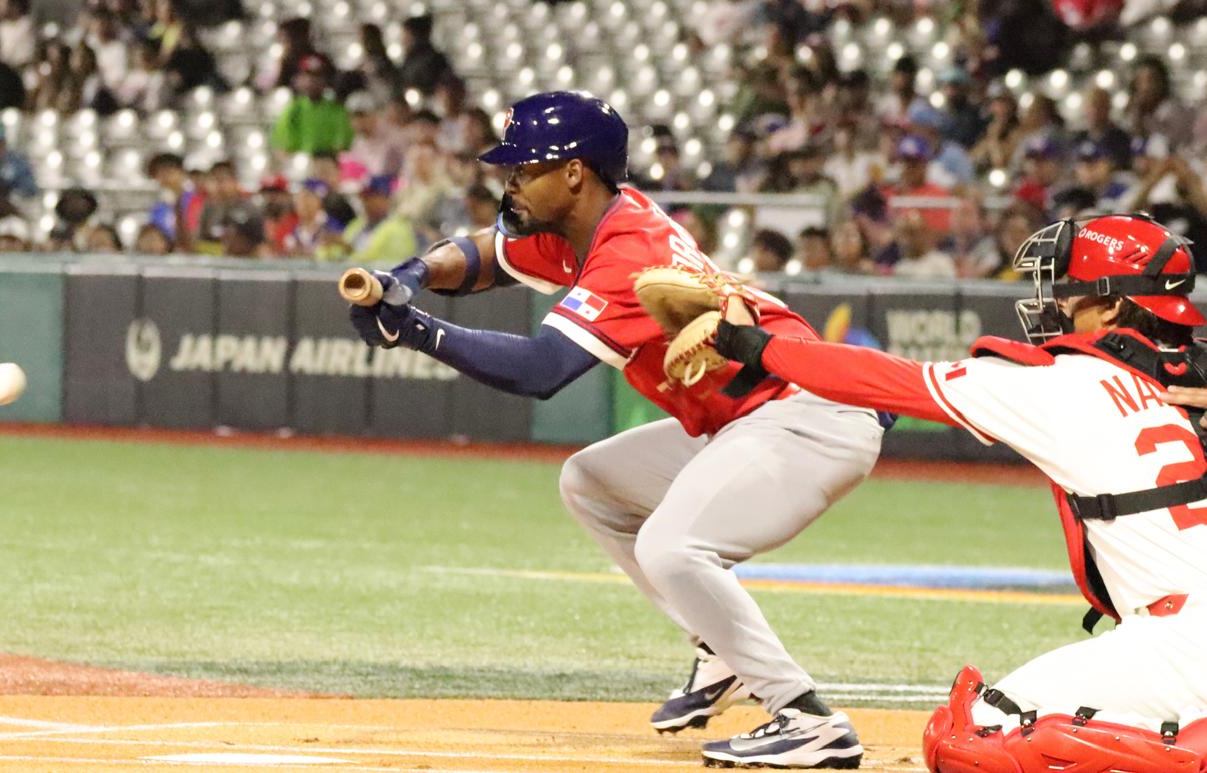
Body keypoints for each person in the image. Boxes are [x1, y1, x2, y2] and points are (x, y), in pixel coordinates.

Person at [344, 91, 885, 769]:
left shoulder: (630, 249)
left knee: (671, 546)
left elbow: (541, 370)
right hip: (748, 416)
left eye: (525, 168)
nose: (510, 182)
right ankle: (719, 648)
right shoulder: (585, 227)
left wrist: (417, 330)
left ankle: (807, 718)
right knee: (592, 481)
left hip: (808, 413)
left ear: (574, 172)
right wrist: (413, 274)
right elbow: (483, 256)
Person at [714, 213, 1207, 772]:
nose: (1059, 303)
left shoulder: (1060, 382)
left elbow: (883, 379)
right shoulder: (1188, 381)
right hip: (1176, 638)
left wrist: (757, 346)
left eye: (1071, 290)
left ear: (1113, 306)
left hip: (1183, 641)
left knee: (972, 736)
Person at [270, 55, 354, 155]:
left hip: (330, 161)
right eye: (306, 76)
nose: (311, 81)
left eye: (317, 76)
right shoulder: (293, 110)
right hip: (299, 161)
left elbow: (344, 144)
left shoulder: (337, 110)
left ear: (326, 80)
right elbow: (281, 145)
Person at [337, 174, 417, 264]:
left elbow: (383, 265)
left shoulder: (399, 229)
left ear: (386, 199)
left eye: (371, 197)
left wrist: (349, 249)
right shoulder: (357, 224)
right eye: (364, 197)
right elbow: (335, 255)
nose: (366, 202)